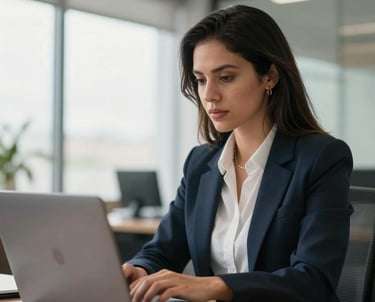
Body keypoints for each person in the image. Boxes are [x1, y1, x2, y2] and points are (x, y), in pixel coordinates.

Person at [122, 4, 353, 302]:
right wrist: (140, 268)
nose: (209, 95)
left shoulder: (321, 158)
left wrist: (216, 285)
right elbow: (165, 248)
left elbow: (314, 280)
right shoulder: (200, 164)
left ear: (269, 76)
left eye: (226, 77)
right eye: (201, 79)